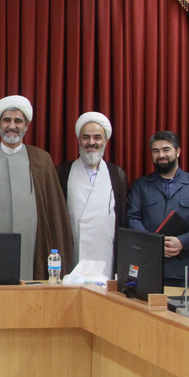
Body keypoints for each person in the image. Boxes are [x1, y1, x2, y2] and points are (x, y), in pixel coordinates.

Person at [0, 95, 72, 281]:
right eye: (7, 120)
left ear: (27, 125)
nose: (12, 125)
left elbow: (54, 213)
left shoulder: (42, 160)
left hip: (32, 245)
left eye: (18, 121)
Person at [127, 130, 189, 287]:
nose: (161, 155)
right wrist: (155, 245)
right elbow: (132, 218)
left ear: (178, 151)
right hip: (148, 268)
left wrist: (183, 241)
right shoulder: (140, 185)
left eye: (166, 150)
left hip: (184, 271)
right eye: (156, 151)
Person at [56, 112, 128, 279]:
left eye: (97, 137)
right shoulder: (63, 172)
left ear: (105, 141)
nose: (91, 142)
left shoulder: (117, 175)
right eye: (86, 137)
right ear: (79, 141)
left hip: (105, 250)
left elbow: (123, 219)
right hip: (73, 251)